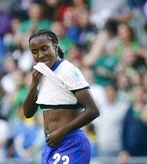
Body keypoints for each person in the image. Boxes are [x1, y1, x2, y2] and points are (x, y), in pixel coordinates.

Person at [23, 29, 100, 163]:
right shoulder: (41, 72)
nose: (40, 55)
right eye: (34, 52)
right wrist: (34, 83)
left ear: (55, 46)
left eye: (44, 48)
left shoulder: (68, 71)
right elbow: (28, 113)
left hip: (71, 143)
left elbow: (93, 110)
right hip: (51, 144)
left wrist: (61, 132)